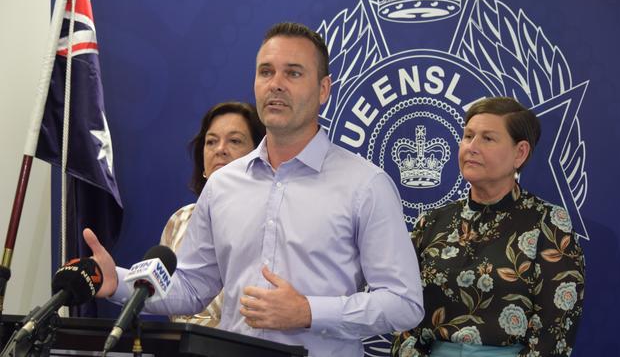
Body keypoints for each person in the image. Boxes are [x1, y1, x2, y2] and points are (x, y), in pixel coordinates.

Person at [84, 22, 424, 356]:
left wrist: (309, 311)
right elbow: (190, 287)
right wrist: (118, 282)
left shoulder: (365, 185)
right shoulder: (223, 184)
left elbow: (403, 303)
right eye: (265, 72)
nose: (275, 85)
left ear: (323, 90)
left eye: (293, 73)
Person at [391, 97, 585, 357]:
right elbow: (403, 311)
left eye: (488, 139)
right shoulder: (432, 223)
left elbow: (555, 330)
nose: (471, 147)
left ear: (520, 152)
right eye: (468, 136)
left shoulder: (548, 224)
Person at [160, 101, 265, 327]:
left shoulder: (271, 219)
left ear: (260, 154)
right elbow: (169, 293)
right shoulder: (180, 220)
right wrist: (118, 283)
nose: (220, 149)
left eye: (235, 141)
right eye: (211, 142)